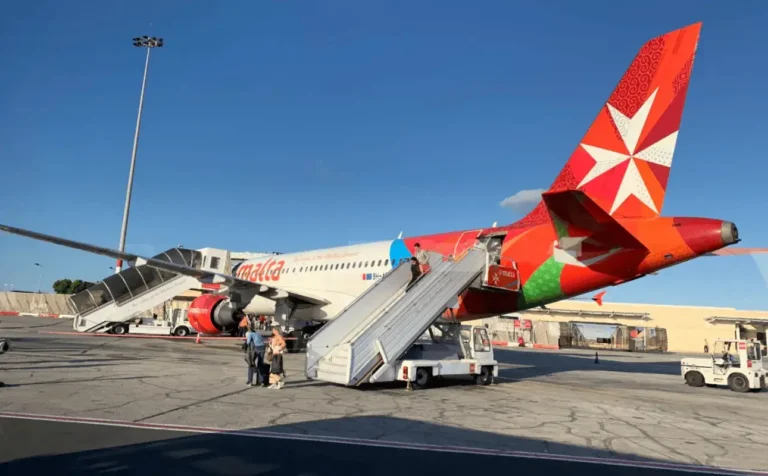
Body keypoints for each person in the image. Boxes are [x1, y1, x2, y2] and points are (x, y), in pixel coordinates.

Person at [244, 319, 267, 387]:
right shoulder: (257, 333)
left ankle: (250, 381)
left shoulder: (250, 334)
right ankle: (261, 382)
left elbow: (248, 342)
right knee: (260, 364)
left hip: (256, 349)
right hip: (262, 348)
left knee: (250, 363)